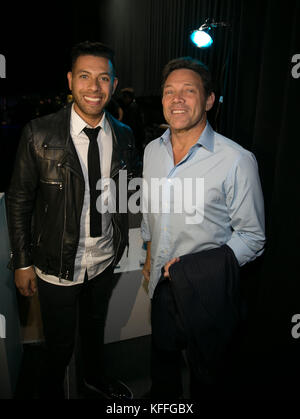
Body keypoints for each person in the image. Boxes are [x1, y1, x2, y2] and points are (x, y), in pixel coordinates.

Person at [6, 41, 137, 399]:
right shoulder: (39, 133)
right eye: (85, 77)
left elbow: (125, 195)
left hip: (104, 259)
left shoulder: (124, 136)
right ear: (70, 80)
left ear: (113, 83)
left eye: (103, 78)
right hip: (56, 263)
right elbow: (18, 199)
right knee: (59, 347)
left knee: (95, 331)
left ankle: (94, 383)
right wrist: (22, 262)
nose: (94, 87)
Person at [141, 57, 266, 399]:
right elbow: (151, 210)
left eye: (188, 91)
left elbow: (253, 238)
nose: (176, 99)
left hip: (208, 293)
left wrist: (198, 271)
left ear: (209, 100)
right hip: (161, 290)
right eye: (169, 91)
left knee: (208, 380)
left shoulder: (236, 160)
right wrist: (150, 256)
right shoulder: (153, 150)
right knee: (163, 374)